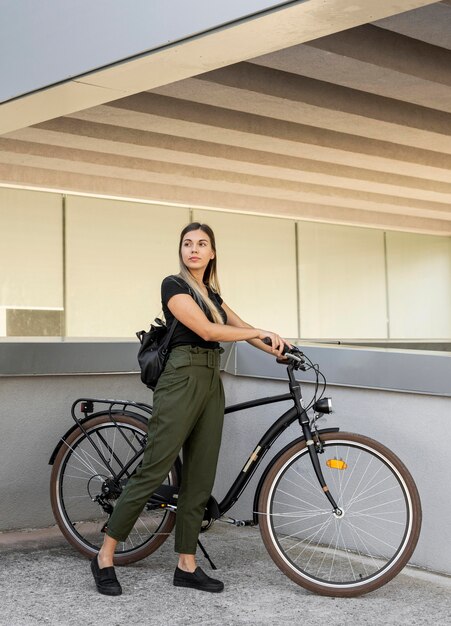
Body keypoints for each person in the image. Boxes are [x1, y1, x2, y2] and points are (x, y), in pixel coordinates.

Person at [90, 222, 290, 596]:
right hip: (181, 378)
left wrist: (281, 347)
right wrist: (251, 334)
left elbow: (243, 326)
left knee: (200, 475)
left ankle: (186, 563)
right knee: (154, 469)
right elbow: (209, 331)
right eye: (187, 243)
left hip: (211, 380)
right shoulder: (174, 285)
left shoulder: (211, 292)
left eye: (202, 244)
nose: (194, 249)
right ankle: (104, 555)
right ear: (181, 251)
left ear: (212, 253)